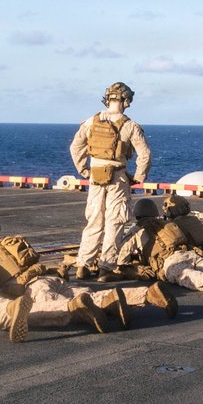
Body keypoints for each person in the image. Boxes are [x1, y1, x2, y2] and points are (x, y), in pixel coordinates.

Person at [0, 210, 177, 333]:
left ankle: (77, 310)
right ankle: (146, 294)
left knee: (47, 309)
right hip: (49, 277)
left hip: (31, 287)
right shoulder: (10, 241)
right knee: (89, 296)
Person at [69, 81, 151, 281]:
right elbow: (145, 154)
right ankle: (106, 267)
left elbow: (75, 147)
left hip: (96, 176)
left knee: (94, 220)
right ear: (124, 100)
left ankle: (83, 265)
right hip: (118, 176)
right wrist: (139, 176)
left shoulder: (91, 121)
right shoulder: (130, 125)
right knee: (115, 221)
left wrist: (84, 170)